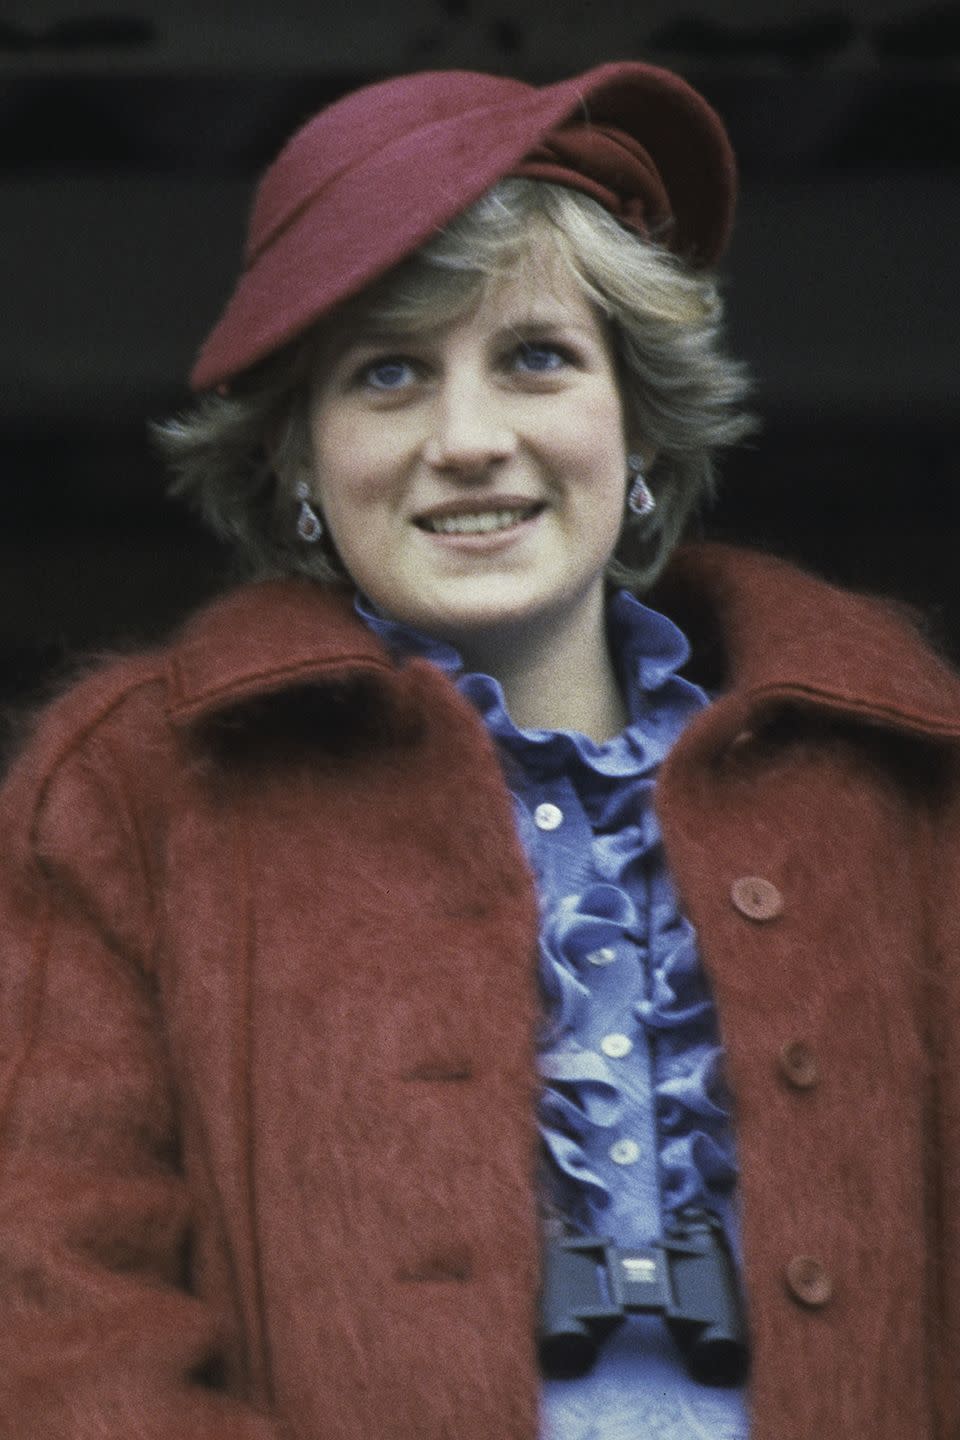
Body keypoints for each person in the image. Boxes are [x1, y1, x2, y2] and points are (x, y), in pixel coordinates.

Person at [0, 58, 957, 1440]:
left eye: (536, 358)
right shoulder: (132, 792)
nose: (467, 439)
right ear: (299, 464)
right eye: (388, 374)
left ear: (635, 421)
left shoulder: (902, 766)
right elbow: (53, 1312)